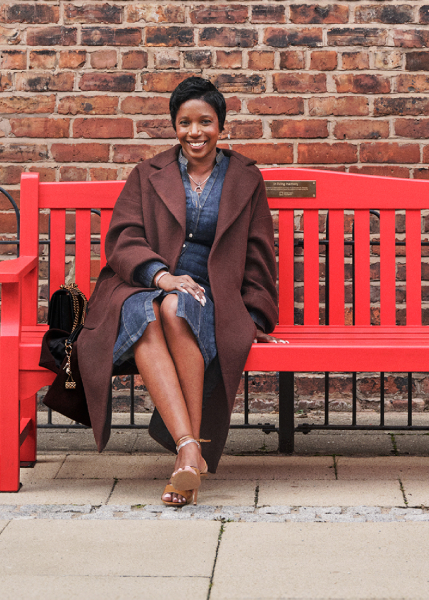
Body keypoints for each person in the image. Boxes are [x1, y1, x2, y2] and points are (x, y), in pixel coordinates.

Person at [74, 77, 284, 506]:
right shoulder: (147, 174)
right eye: (185, 122)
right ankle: (190, 449)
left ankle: (186, 451)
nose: (195, 132)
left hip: (211, 296)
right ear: (174, 126)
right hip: (139, 285)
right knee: (162, 306)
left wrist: (255, 315)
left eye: (205, 121)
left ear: (220, 126)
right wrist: (161, 276)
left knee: (174, 310)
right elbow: (124, 237)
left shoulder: (245, 178)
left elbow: (259, 251)